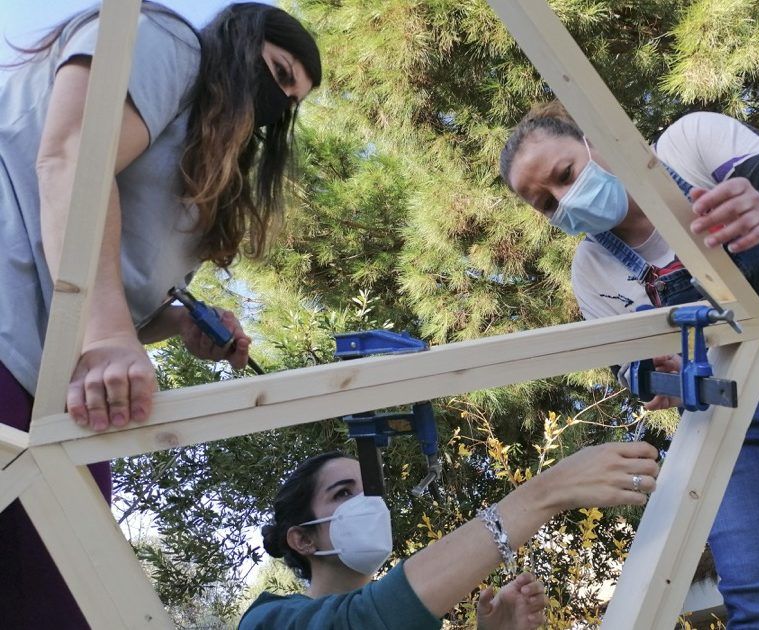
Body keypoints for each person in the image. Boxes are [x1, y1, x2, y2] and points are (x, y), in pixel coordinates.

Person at [499, 104, 759, 628]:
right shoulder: (592, 270)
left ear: (596, 136)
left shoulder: (692, 145)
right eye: (546, 204)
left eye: (565, 175)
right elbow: (631, 368)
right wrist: (656, 375)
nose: (564, 200)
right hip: (742, 411)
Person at [0, 2, 321, 627]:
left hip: (54, 390)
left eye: (293, 99)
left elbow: (103, 288)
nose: (278, 103)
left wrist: (168, 325)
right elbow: (69, 160)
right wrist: (109, 335)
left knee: (65, 605)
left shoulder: (199, 158)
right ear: (241, 38)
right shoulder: (165, 39)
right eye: (279, 74)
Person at [239, 444, 660, 629]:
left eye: (370, 492)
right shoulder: (267, 620)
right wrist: (544, 494)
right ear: (302, 540)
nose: (366, 506)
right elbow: (360, 623)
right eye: (343, 494)